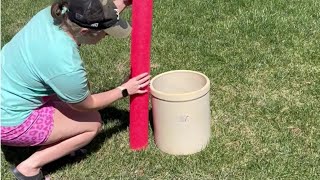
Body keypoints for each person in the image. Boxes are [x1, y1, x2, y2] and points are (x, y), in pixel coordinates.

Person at [1, 0, 150, 179]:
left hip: (7, 91)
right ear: (85, 31)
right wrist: (124, 90)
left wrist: (125, 2)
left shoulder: (54, 15)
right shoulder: (65, 63)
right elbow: (87, 104)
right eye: (106, 32)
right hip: (9, 123)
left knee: (77, 93)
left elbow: (96, 13)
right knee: (92, 123)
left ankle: (60, 135)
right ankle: (29, 168)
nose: (107, 36)